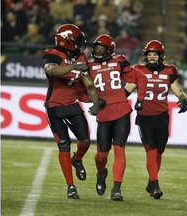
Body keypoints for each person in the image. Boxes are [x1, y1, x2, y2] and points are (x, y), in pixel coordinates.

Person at [42, 24, 100, 199]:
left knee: (85, 140)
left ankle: (78, 159)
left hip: (72, 104)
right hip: (54, 106)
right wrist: (74, 67)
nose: (81, 44)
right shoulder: (52, 53)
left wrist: (95, 103)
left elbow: (88, 82)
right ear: (67, 41)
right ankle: (71, 186)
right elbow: (52, 70)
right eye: (77, 41)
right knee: (64, 145)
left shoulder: (80, 55)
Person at [87, 34, 147, 201]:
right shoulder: (89, 66)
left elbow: (140, 77)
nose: (98, 51)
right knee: (101, 155)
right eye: (96, 48)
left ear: (109, 50)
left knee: (119, 149)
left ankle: (117, 188)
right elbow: (82, 89)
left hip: (121, 109)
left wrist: (140, 99)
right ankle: (101, 172)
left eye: (101, 48)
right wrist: (94, 101)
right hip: (104, 113)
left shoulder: (119, 60)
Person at [127, 40, 187, 199]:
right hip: (145, 117)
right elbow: (126, 91)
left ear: (161, 56)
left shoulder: (169, 71)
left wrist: (183, 99)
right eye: (150, 54)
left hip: (162, 116)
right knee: (151, 150)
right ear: (145, 56)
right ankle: (155, 184)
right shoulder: (138, 70)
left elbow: (177, 89)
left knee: (159, 152)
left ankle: (151, 181)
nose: (152, 57)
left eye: (155, 54)